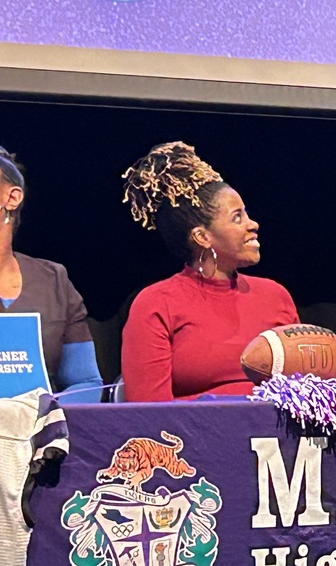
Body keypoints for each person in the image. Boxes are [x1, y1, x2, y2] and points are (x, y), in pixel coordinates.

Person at [120, 142, 299, 401]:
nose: (253, 224)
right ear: (202, 237)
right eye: (237, 217)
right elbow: (148, 412)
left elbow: (304, 392)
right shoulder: (156, 304)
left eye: (247, 213)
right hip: (192, 439)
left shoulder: (276, 296)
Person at [0, 147, 103, 402]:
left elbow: (85, 383)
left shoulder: (52, 281)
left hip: (40, 437)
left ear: (11, 198)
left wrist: (44, 418)